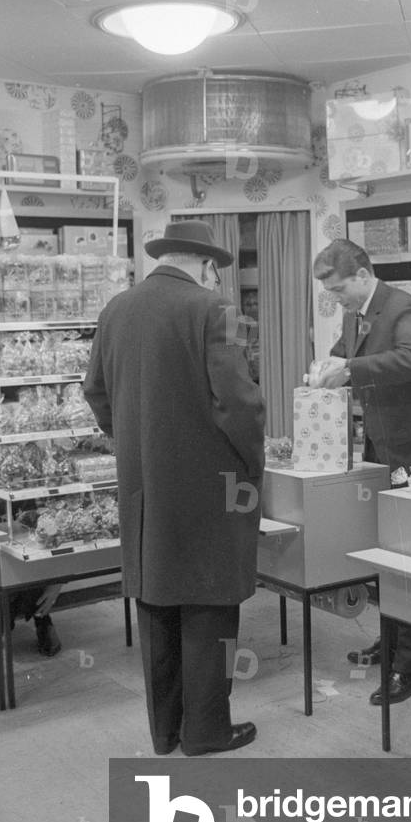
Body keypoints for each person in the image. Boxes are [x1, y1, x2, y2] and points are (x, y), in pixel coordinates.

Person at [84, 220, 265, 756]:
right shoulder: (218, 310)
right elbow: (241, 403)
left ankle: (165, 731)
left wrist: (133, 440)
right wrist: (253, 463)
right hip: (212, 486)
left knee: (157, 601)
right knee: (211, 604)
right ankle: (206, 731)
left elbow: (95, 391)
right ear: (206, 265)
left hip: (143, 485)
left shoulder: (116, 309)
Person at [312, 239, 411, 705]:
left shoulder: (401, 305)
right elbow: (345, 352)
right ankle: (389, 640)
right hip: (380, 442)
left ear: (363, 274)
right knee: (387, 550)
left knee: (410, 553)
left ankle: (407, 666)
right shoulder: (356, 312)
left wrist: (350, 368)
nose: (337, 299)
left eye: (339, 289)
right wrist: (327, 365)